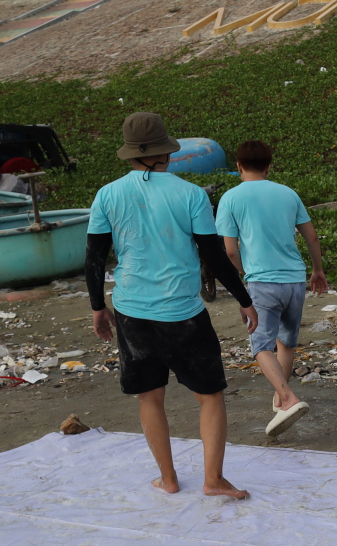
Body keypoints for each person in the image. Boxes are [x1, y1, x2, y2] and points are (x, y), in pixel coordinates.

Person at [86, 112, 256, 499]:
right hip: (183, 314)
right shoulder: (191, 195)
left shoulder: (107, 195)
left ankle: (168, 478)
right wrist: (244, 299)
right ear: (166, 151)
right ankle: (213, 479)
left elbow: (94, 256)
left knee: (150, 396)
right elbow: (214, 255)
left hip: (131, 312)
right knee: (209, 396)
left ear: (130, 152)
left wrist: (98, 306)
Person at [216, 139, 329, 437]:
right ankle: (280, 401)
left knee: (261, 345)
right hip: (295, 280)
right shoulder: (288, 194)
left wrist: (245, 274)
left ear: (238, 166)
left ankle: (289, 398)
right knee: (286, 342)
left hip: (262, 282)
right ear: (268, 167)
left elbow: (230, 250)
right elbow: (312, 237)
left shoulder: (230, 198)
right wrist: (317, 270)